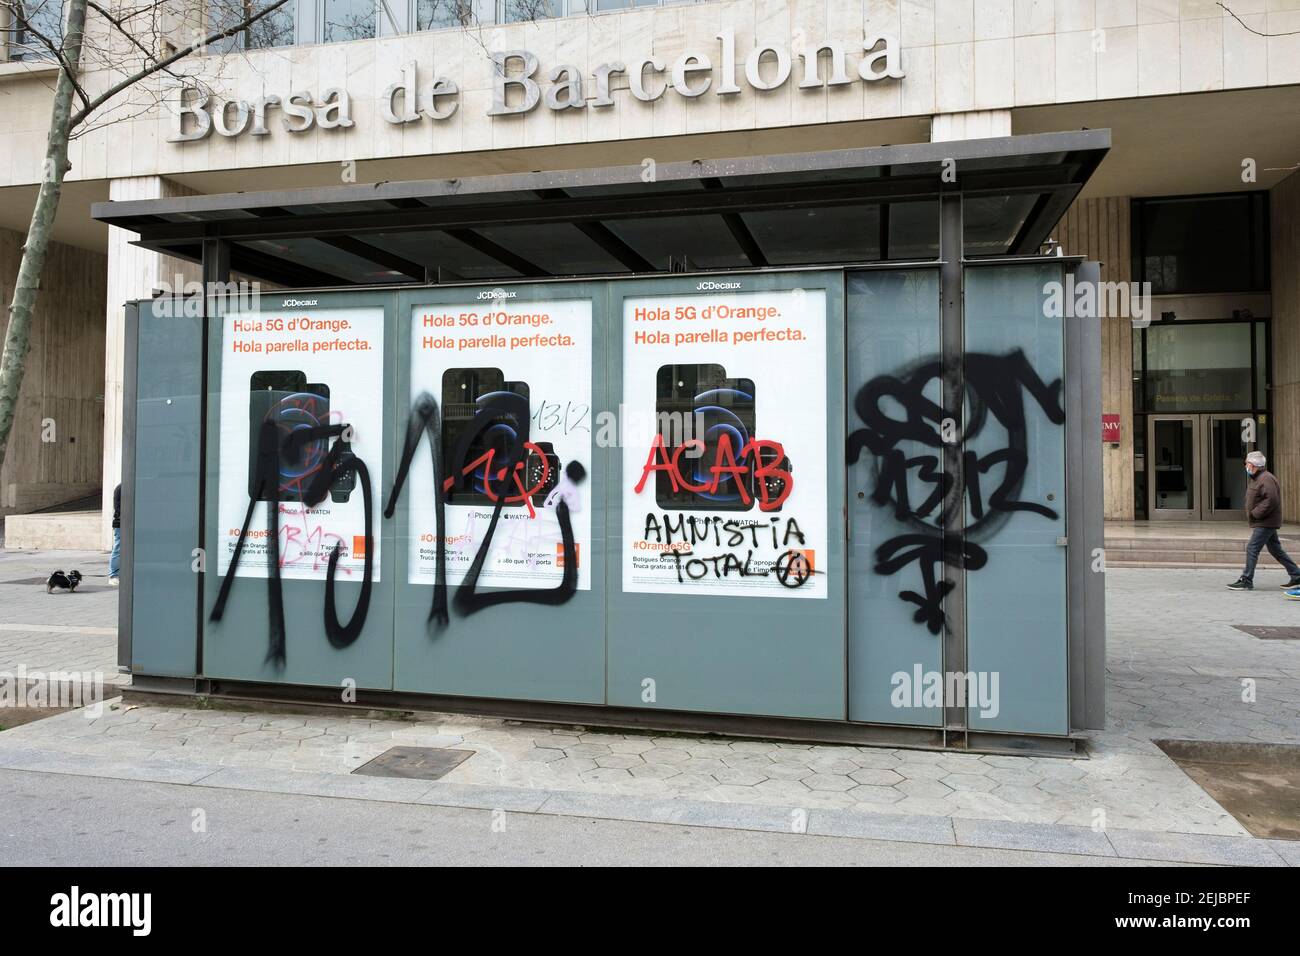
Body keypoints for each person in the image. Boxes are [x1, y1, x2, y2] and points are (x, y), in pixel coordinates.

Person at [1227, 452, 1300, 591]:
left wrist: (1255, 513)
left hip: (1266, 521)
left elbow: (1271, 499)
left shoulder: (1266, 479)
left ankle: (1247, 579)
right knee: (1276, 550)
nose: (1246, 466)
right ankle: (1296, 575)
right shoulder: (1258, 478)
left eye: (1247, 463)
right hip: (1266, 521)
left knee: (1252, 548)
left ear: (1254, 466)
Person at [109, 483, 121, 586]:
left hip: (125, 522)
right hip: (120, 524)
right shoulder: (121, 488)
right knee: (118, 548)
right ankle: (113, 575)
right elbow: (118, 508)